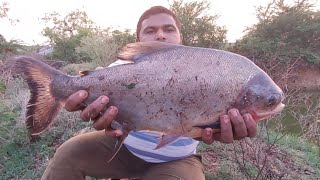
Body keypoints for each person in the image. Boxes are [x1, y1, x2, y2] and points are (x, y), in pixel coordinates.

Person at [41, 6, 257, 180]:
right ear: (139, 40)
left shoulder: (204, 69)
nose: (161, 35)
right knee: (67, 153)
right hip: (124, 149)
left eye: (169, 29)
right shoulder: (120, 69)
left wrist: (220, 129)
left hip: (177, 160)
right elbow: (96, 93)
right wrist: (84, 103)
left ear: (181, 36)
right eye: (150, 30)